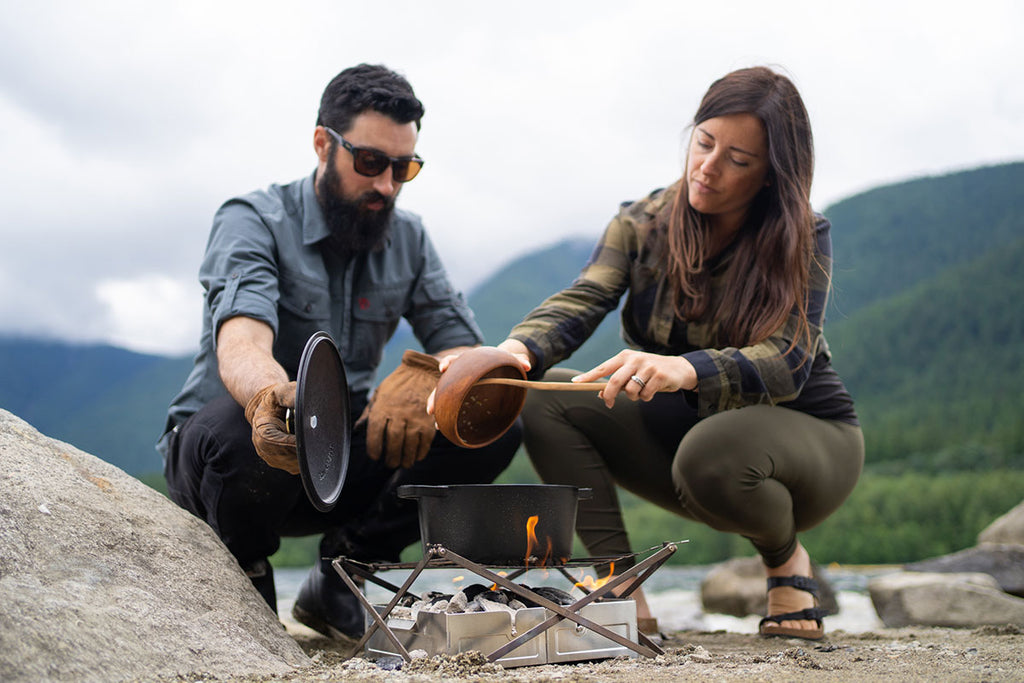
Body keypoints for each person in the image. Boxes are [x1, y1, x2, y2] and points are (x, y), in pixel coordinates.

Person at [436, 66, 863, 641]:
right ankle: (621, 587)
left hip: (806, 443)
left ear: (770, 176)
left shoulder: (803, 234)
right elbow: (585, 299)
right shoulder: (640, 223)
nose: (708, 167)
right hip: (689, 440)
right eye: (704, 142)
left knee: (711, 449)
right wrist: (508, 355)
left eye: (738, 160)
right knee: (551, 399)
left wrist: (685, 368)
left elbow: (788, 360)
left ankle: (786, 561)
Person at [157, 64, 520, 640]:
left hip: (339, 454)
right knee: (244, 425)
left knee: (485, 417)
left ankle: (345, 571)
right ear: (324, 143)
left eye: (405, 169)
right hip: (228, 456)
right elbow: (243, 336)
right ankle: (243, 579)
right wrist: (265, 397)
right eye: (371, 163)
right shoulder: (252, 220)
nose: (386, 186)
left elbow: (462, 351)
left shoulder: (410, 237)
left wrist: (430, 375)